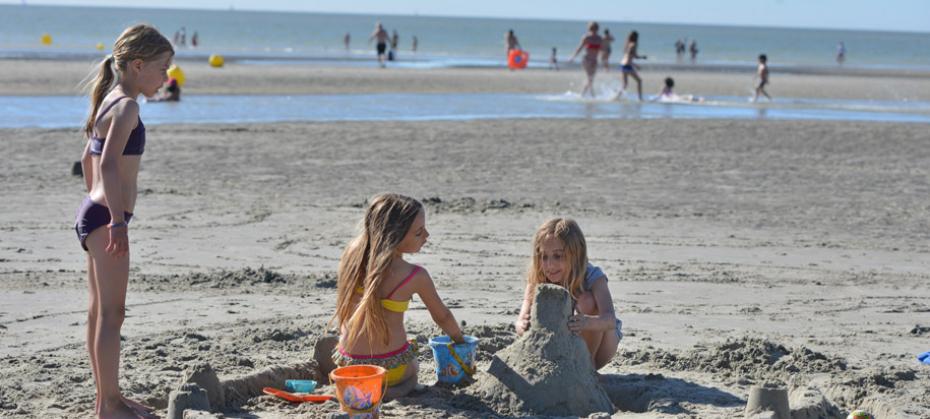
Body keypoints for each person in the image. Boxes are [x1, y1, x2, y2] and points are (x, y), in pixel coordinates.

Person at [76, 24, 173, 419]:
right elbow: (110, 164)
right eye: (162, 68)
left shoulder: (110, 99)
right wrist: (116, 220)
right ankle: (110, 404)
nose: (166, 77)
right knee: (112, 314)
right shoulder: (128, 106)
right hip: (106, 220)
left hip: (93, 214)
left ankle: (106, 400)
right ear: (137, 65)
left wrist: (95, 203)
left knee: (99, 311)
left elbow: (88, 160)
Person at [331, 193, 465, 400]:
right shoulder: (415, 275)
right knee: (412, 364)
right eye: (419, 232)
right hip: (388, 372)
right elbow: (443, 317)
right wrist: (459, 339)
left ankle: (361, 388)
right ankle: (400, 390)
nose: (427, 236)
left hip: (349, 366)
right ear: (395, 236)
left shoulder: (351, 254)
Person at [514, 218, 621, 370]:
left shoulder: (593, 276)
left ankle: (587, 367)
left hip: (602, 343)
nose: (549, 265)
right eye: (544, 256)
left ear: (576, 254)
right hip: (563, 345)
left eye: (558, 256)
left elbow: (610, 320)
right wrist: (520, 324)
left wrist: (586, 322)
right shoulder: (539, 275)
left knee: (587, 301)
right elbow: (524, 311)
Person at [569, 22, 604, 98]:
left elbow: (602, 50)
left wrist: (603, 60)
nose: (593, 30)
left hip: (595, 61)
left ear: (597, 29)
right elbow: (580, 48)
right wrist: (573, 57)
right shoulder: (586, 37)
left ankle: (583, 95)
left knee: (591, 79)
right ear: (589, 29)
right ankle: (592, 95)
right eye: (592, 28)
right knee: (590, 78)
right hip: (586, 59)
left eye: (595, 28)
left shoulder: (600, 38)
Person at [616, 30, 647, 101]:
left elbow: (633, 56)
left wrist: (642, 57)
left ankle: (616, 97)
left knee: (625, 85)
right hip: (627, 65)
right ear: (636, 37)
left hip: (623, 64)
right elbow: (630, 57)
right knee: (639, 81)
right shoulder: (634, 45)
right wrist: (635, 65)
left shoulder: (628, 44)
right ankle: (640, 98)